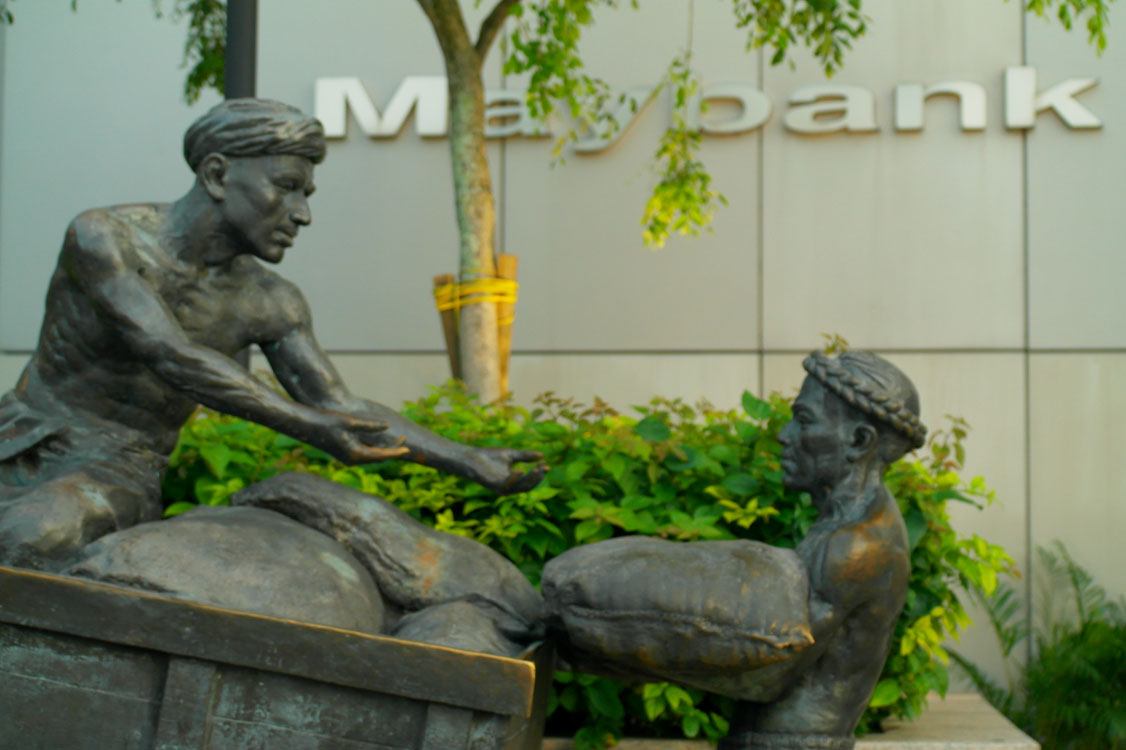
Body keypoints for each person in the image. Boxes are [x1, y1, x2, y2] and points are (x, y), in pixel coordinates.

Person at [0, 98, 543, 571]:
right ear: (217, 175)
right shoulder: (104, 237)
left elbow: (339, 404)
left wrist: (466, 458)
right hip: (20, 433)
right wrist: (307, 425)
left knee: (32, 534)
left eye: (306, 193)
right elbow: (170, 353)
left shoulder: (272, 301)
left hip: (117, 469)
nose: (302, 214)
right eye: (285, 187)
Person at [542, 351, 925, 750]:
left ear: (859, 441)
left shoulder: (856, 547)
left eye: (804, 420)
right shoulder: (850, 524)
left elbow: (769, 667)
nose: (785, 435)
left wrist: (586, 636)